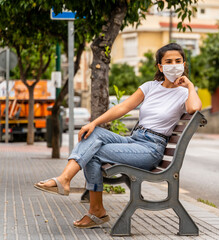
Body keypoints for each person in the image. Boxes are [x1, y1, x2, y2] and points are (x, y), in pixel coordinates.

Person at [34, 43, 202, 229]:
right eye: (168, 61)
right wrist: (94, 122)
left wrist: (190, 85)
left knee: (94, 152)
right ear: (160, 67)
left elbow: (194, 108)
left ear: (184, 64)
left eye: (178, 61)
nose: (173, 65)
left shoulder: (184, 93)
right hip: (135, 139)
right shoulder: (150, 87)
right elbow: (122, 107)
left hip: (151, 149)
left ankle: (84, 199)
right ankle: (78, 192)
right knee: (93, 134)